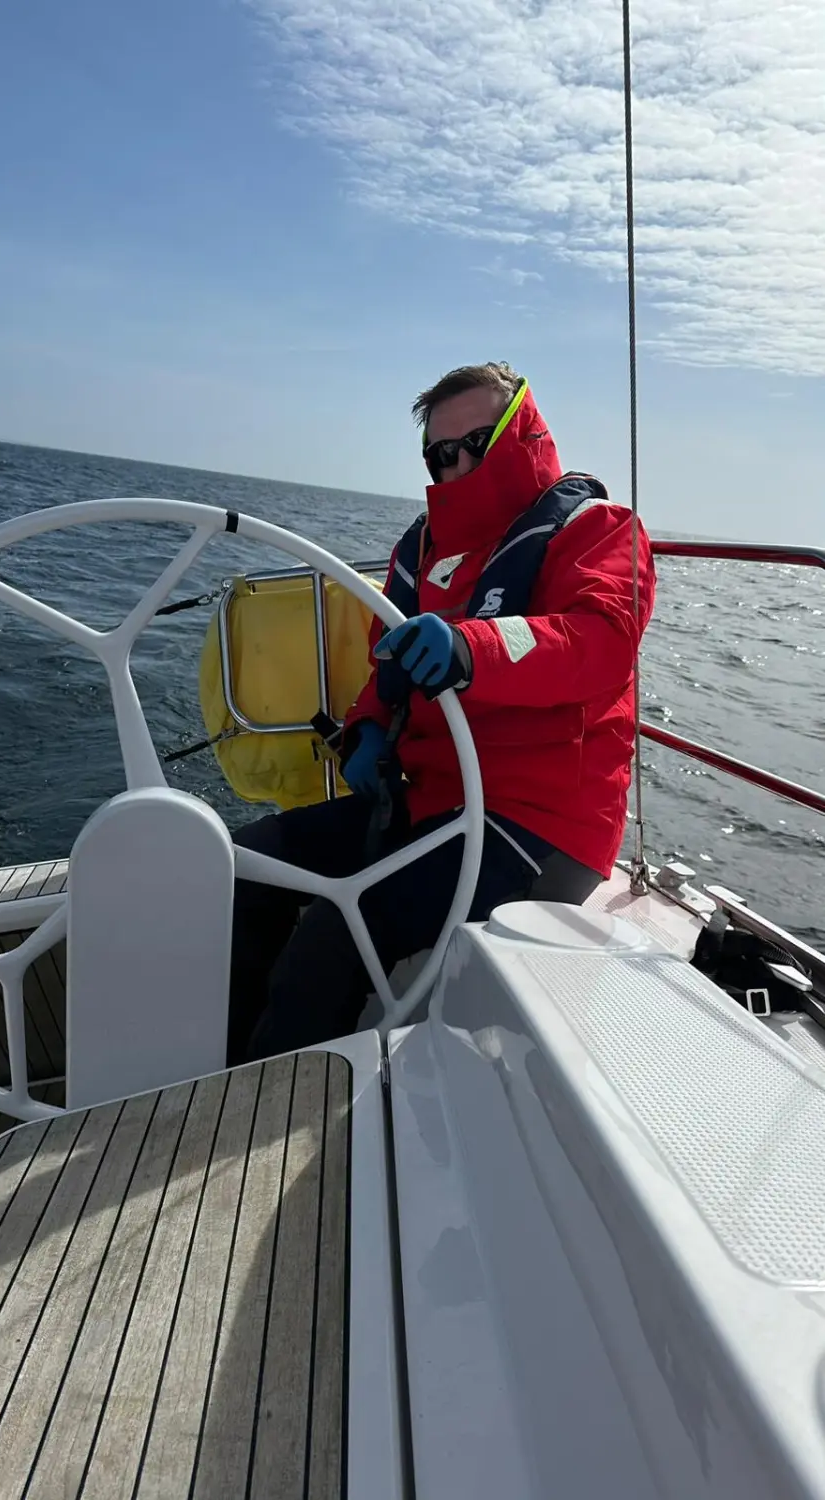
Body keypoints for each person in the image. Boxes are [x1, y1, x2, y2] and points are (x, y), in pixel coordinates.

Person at [228, 361, 655, 1063]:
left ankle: (271, 1126)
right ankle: (224, 1076)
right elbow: (385, 667)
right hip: (425, 801)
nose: (455, 463)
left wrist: (471, 647)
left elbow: (600, 641)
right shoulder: (420, 548)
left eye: (476, 442)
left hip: (533, 819)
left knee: (338, 932)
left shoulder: (599, 530)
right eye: (439, 452)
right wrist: (367, 727)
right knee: (246, 863)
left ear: (522, 435)